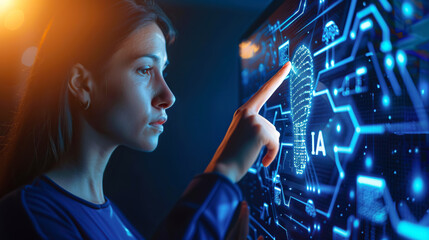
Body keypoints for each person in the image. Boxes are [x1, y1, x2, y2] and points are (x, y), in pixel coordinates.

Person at [0, 0, 292, 239]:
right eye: (144, 70)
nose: (168, 95)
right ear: (81, 83)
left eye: (163, 70)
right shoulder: (29, 215)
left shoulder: (105, 211)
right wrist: (224, 171)